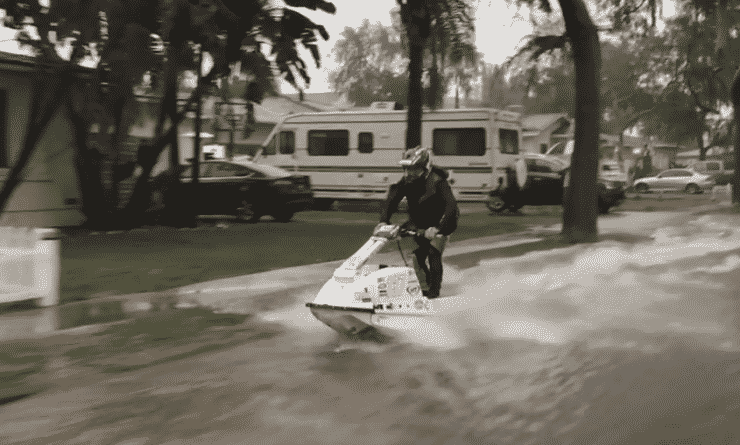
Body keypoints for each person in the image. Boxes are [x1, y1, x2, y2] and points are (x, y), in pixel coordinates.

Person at [374, 146, 459, 299]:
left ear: (424, 167)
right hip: (419, 221)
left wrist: (438, 228)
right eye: (406, 168)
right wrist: (383, 221)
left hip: (442, 221)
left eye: (413, 169)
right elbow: (391, 200)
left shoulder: (438, 181)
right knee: (417, 256)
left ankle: (434, 294)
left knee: (433, 251)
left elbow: (451, 207)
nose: (409, 173)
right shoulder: (406, 181)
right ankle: (424, 290)